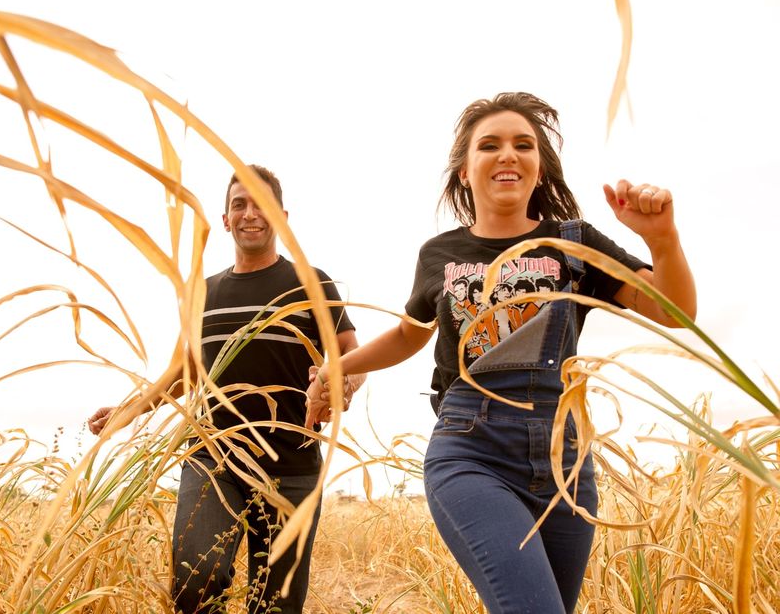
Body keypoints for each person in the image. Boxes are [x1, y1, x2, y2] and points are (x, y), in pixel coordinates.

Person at [304, 92, 696, 613]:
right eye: (489, 145)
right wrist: (334, 370)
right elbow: (408, 335)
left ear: (539, 169)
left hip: (565, 461)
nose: (507, 154)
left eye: (523, 145)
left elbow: (675, 312)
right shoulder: (439, 254)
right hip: (471, 449)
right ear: (465, 172)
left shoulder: (573, 241)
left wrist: (663, 241)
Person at [89, 164, 363, 613]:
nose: (250, 214)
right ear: (225, 219)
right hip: (212, 460)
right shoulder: (203, 292)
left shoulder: (310, 282)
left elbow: (351, 353)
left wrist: (342, 383)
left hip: (292, 466)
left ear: (282, 218)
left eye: (261, 204)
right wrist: (128, 410)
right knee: (194, 580)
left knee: (276, 605)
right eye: (240, 204)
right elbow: (184, 372)